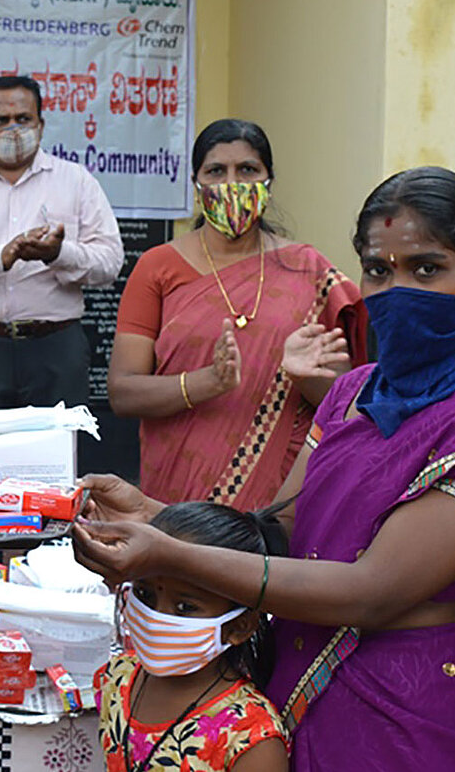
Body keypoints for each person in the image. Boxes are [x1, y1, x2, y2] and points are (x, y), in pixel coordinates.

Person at [77, 166, 455, 772]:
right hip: (297, 691)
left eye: (425, 266)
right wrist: (156, 513)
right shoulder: (351, 394)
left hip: (406, 716)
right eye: (378, 269)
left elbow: (369, 590)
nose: (396, 289)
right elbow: (281, 528)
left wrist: (170, 553)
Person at [108, 119, 366, 510]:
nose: (233, 184)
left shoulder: (309, 271)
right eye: (216, 171)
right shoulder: (157, 267)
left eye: (247, 170)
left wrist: (302, 375)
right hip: (176, 490)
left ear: (268, 181)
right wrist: (208, 382)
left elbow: (346, 402)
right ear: (196, 185)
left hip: (278, 497)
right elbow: (123, 392)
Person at [91, 501, 290, 772]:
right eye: (146, 596)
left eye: (184, 607)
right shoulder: (117, 679)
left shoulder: (249, 735)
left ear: (240, 627)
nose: (156, 616)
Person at [0, 74, 124, 407]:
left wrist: (59, 254)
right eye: (0, 121)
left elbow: (110, 262)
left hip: (55, 350)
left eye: (24, 119)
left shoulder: (76, 180)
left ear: (41, 125)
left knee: (55, 457)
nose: (14, 129)